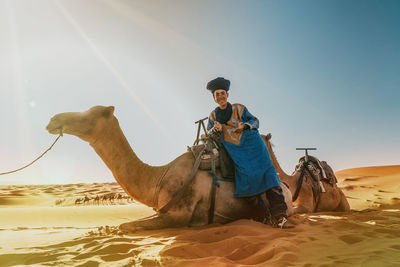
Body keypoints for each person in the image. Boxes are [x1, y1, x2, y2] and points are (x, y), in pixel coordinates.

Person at [206, 77, 291, 228]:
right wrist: (215, 129)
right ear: (214, 98)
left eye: (222, 93)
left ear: (227, 95)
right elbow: (208, 134)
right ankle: (264, 217)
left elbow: (255, 121)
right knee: (246, 182)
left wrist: (245, 125)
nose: (220, 96)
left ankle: (280, 217)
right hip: (235, 152)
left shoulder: (240, 108)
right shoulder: (213, 116)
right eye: (217, 94)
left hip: (254, 146)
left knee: (269, 176)